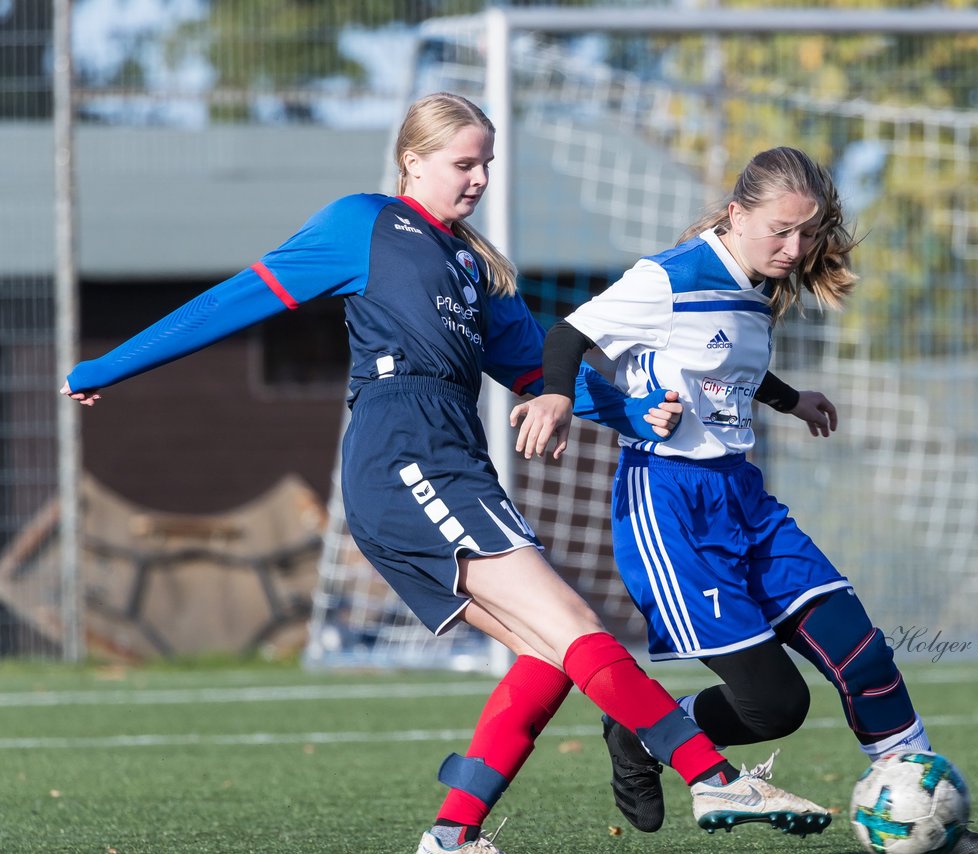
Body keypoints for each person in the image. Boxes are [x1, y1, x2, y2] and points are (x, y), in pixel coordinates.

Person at [62, 94, 832, 854]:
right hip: (405, 458)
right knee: (578, 629)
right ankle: (710, 775)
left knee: (550, 652)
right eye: (463, 163)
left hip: (453, 460)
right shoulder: (362, 224)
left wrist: (633, 410)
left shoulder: (472, 266)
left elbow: (536, 368)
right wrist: (111, 365)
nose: (477, 179)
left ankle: (452, 834)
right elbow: (237, 299)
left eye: (486, 164)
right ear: (413, 161)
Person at [514, 146, 978, 854]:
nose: (796, 248)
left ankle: (934, 832)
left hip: (745, 500)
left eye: (808, 233)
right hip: (672, 509)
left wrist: (791, 399)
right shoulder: (670, 277)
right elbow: (567, 334)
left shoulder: (755, 286)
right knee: (775, 705)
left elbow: (729, 370)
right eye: (781, 230)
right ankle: (639, 732)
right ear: (736, 214)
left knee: (865, 657)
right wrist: (558, 399)